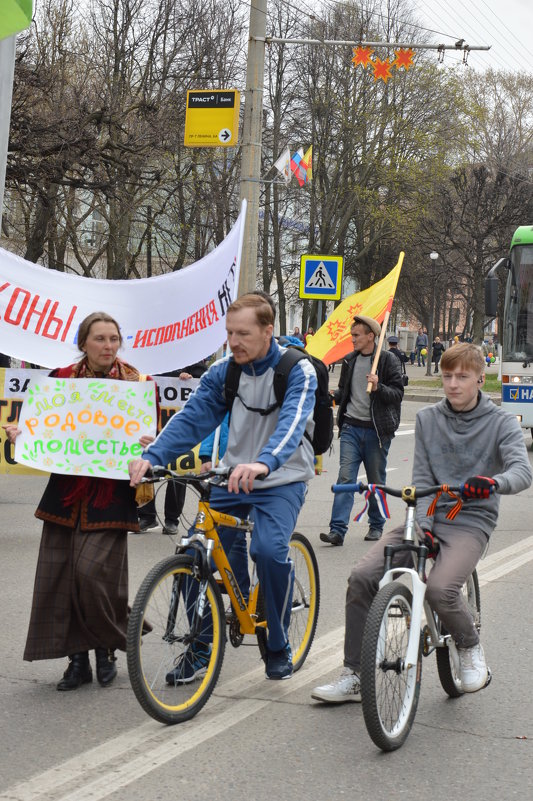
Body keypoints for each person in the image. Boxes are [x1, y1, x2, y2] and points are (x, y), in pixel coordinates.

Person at [312, 343, 532, 704]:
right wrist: (424, 525)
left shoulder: (502, 421)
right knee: (363, 576)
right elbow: (423, 477)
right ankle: (354, 673)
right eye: (447, 376)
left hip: (471, 520)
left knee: (441, 590)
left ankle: (470, 647)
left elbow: (522, 472)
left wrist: (493, 483)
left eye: (462, 377)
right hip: (428, 515)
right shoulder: (429, 419)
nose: (453, 384)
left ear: (480, 378)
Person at [128, 293, 317, 681]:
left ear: (268, 331)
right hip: (232, 476)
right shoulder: (224, 371)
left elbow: (292, 425)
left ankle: (277, 642)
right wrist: (156, 454)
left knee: (267, 549)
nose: (234, 342)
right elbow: (194, 417)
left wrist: (264, 463)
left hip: (281, 478)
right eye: (229, 333)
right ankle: (201, 649)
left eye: (243, 333)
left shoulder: (298, 370)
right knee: (196, 556)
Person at [2, 312, 151, 691]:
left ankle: (107, 647)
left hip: (111, 499)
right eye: (100, 339)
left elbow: (154, 435)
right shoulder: (59, 381)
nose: (108, 346)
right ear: (83, 342)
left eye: (114, 339)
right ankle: (78, 661)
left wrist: (152, 445)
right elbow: (36, 436)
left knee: (92, 578)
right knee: (62, 580)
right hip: (65, 498)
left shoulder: (136, 383)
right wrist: (19, 436)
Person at [320, 315, 404, 546]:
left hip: (376, 432)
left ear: (371, 336)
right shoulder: (350, 361)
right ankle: (337, 530)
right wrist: (333, 396)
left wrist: (378, 387)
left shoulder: (387, 361)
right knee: (345, 477)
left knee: (375, 480)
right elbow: (343, 392)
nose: (352, 339)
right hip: (351, 428)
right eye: (352, 335)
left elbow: (397, 395)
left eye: (356, 335)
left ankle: (376, 525)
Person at [137, 361, 208, 535]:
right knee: (145, 466)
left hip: (176, 419)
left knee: (178, 470)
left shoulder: (189, 353)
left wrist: (191, 377)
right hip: (151, 419)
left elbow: (203, 382)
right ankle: (146, 516)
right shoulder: (147, 353)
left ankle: (171, 519)